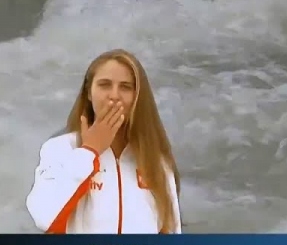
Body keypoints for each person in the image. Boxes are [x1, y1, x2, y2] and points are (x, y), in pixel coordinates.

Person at [26, 49, 182, 234]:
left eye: (125, 87)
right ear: (89, 93)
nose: (114, 95)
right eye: (104, 85)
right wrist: (89, 151)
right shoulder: (60, 149)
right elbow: (45, 217)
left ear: (137, 97)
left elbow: (171, 234)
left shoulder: (156, 161)